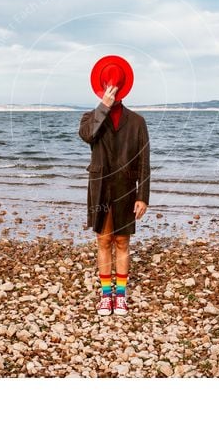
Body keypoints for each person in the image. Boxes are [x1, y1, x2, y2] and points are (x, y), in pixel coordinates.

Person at [78, 68, 150, 316]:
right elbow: (87, 136)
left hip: (126, 189)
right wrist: (103, 107)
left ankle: (121, 297)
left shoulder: (138, 122)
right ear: (102, 88)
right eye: (108, 88)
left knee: (122, 241)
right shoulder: (91, 117)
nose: (112, 92)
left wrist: (143, 196)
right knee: (103, 240)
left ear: (123, 89)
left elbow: (144, 161)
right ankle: (105, 296)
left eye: (115, 89)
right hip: (100, 188)